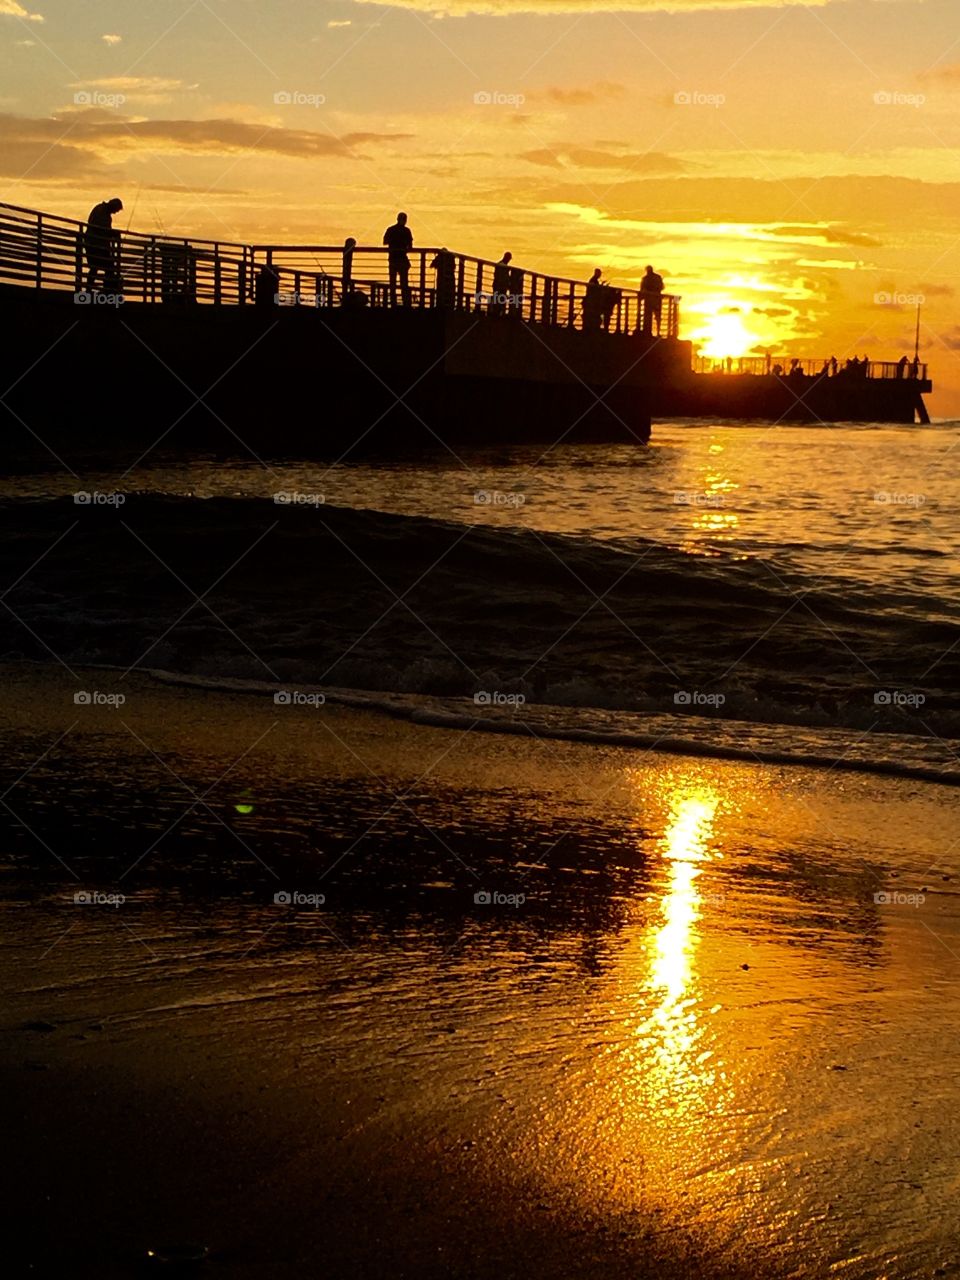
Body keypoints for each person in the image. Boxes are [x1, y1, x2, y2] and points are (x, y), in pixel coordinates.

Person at [84, 196, 123, 292]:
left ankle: (91, 289)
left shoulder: (100, 209)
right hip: (96, 244)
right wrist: (114, 234)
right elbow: (103, 229)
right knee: (108, 267)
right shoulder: (102, 212)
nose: (115, 213)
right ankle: (107, 290)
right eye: (116, 210)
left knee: (95, 267)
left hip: (94, 243)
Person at [383, 211, 412, 306]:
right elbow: (410, 246)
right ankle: (405, 302)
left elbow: (385, 241)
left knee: (393, 282)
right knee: (403, 283)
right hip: (402, 259)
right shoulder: (407, 231)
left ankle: (393, 302)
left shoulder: (391, 229)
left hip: (393, 258)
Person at [640, 264, 664, 336]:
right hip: (656, 299)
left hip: (651, 300)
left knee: (653, 316)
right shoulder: (657, 277)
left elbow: (642, 288)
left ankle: (653, 332)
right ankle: (655, 332)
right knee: (656, 316)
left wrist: (642, 296)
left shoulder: (645, 278)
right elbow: (662, 287)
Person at [489, 251, 512, 316]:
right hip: (500, 285)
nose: (509, 260)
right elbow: (500, 276)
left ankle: (497, 312)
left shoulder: (500, 264)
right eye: (509, 259)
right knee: (499, 299)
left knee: (499, 299)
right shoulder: (502, 265)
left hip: (499, 285)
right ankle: (497, 313)